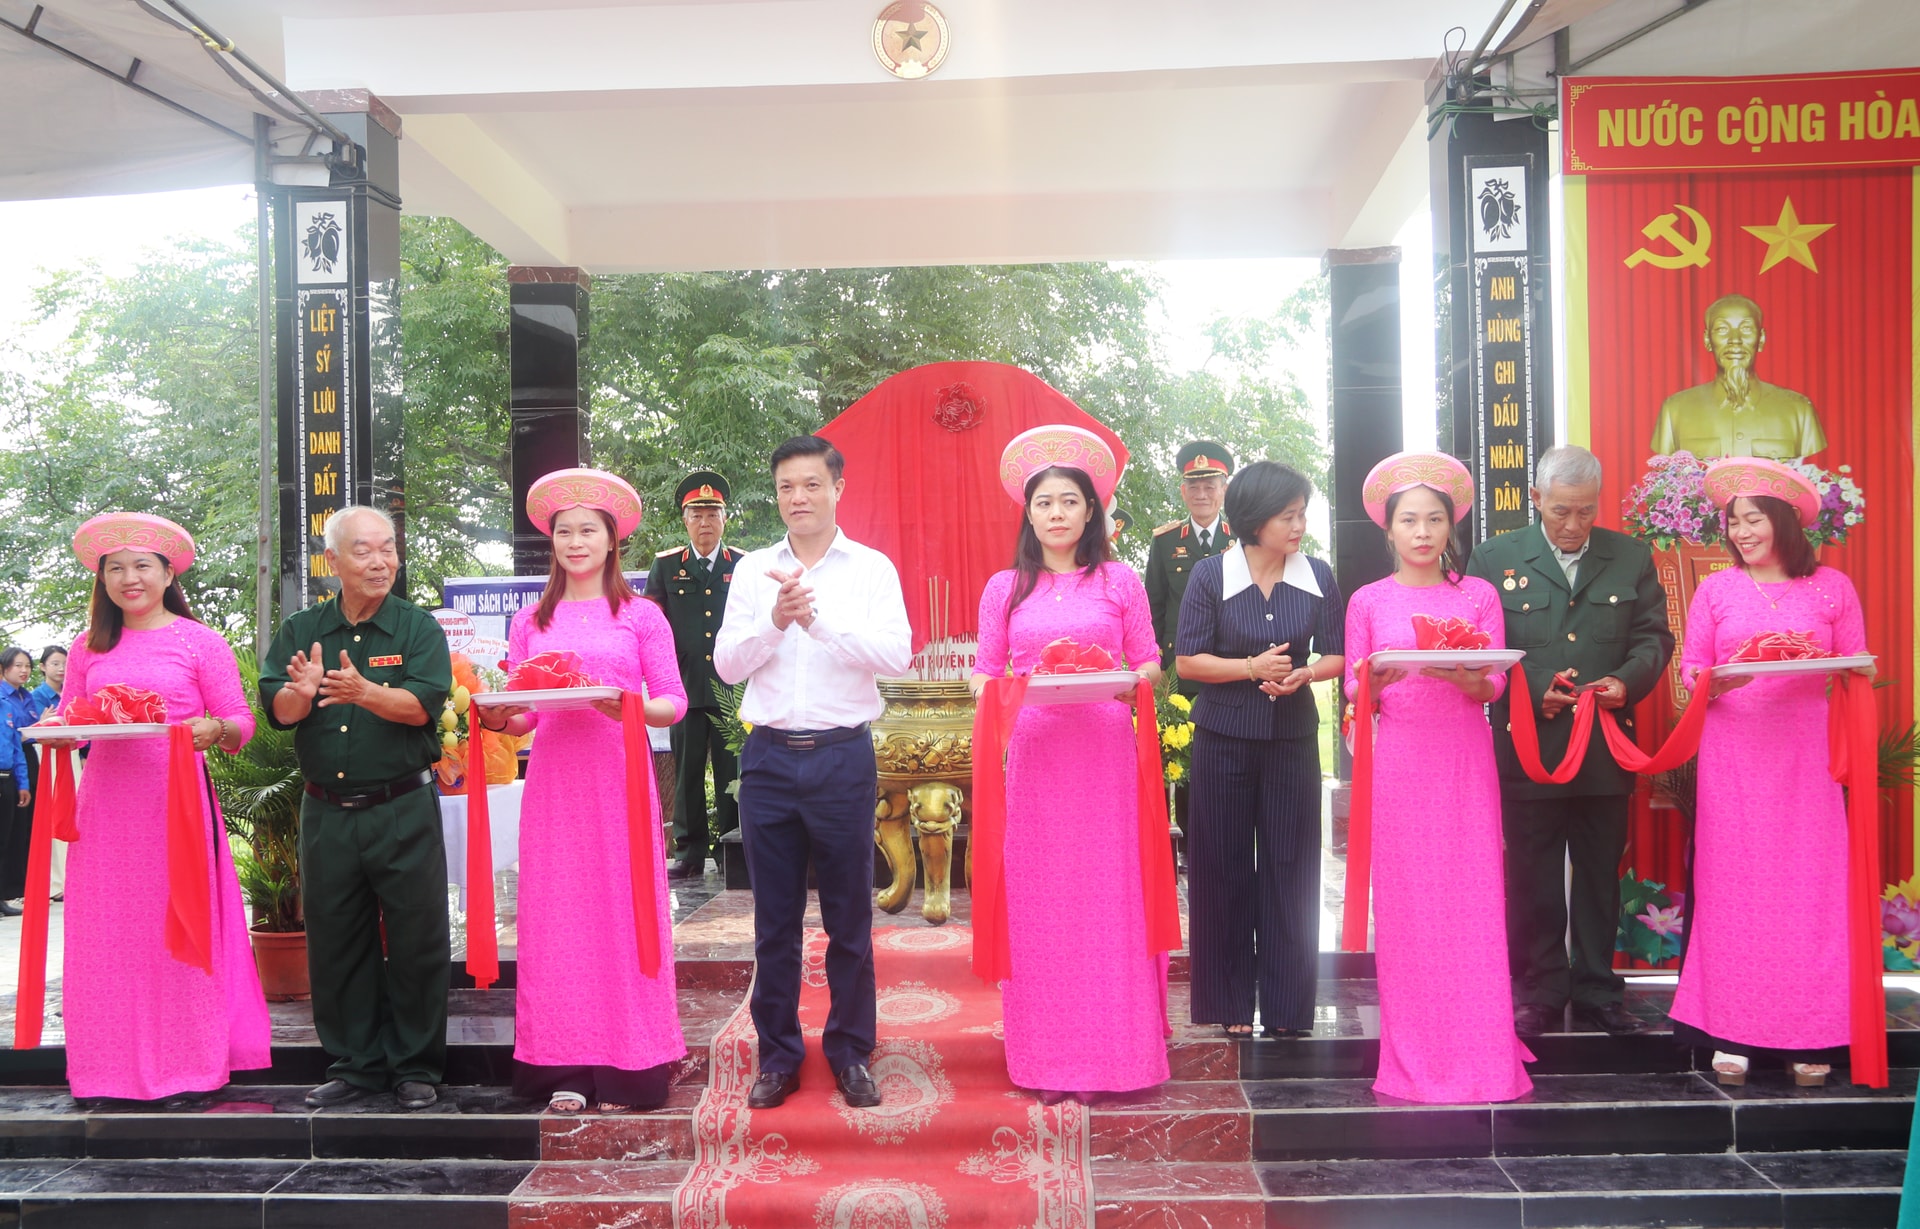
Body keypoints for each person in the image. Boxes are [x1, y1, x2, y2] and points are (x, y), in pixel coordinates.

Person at [32, 512, 269, 1101]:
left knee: (177, 933)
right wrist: (56, 731)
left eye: (142, 566)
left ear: (168, 574)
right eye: (115, 568)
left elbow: (240, 721)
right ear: (103, 580)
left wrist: (214, 729)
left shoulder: (198, 641)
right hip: (106, 811)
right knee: (107, 938)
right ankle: (104, 1073)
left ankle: (190, 1068)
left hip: (176, 807)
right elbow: (74, 717)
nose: (129, 578)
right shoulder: (88, 647)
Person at [477, 468, 689, 1113]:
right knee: (557, 919)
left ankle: (631, 1064)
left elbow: (673, 702)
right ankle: (561, 1064)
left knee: (622, 913)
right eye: (564, 532)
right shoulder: (529, 620)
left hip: (618, 780)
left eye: (588, 530)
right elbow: (526, 716)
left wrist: (626, 706)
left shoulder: (642, 615)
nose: (575, 542)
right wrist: (496, 717)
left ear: (611, 539)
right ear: (552, 541)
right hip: (554, 785)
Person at [972, 426, 1169, 1101]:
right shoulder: (1004, 588)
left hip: (1105, 753)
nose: (1056, 513)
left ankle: (1111, 1057)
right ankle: (1048, 1060)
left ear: (1091, 511)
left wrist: (1129, 681)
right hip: (1036, 754)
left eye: (1069, 501)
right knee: (1041, 901)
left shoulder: (1120, 580)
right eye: (1044, 503)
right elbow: (984, 672)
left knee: (1108, 897)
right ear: (1028, 515)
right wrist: (1002, 690)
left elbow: (1149, 661)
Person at [714, 435, 911, 1111]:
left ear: (837, 488)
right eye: (785, 487)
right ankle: (778, 1056)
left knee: (849, 916)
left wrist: (817, 623)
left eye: (810, 485)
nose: (797, 498)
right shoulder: (752, 571)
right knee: (774, 921)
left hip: (841, 756)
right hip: (768, 758)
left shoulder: (872, 569)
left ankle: (851, 1051)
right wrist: (775, 621)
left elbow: (896, 654)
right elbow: (727, 665)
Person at [1672, 458, 1869, 1087]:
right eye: (1734, 522)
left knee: (1809, 893)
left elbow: (1856, 664)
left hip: (1807, 760)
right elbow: (1691, 669)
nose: (1741, 532)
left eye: (1753, 519)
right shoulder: (1717, 590)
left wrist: (1847, 667)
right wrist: (1716, 680)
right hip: (1733, 757)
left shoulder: (1832, 587)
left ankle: (1812, 1031)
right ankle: (1732, 1031)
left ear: (1783, 520)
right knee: (1735, 889)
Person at [1465, 446, 1674, 1038]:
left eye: (1586, 511)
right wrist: (1535, 690)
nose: (1574, 525)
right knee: (1532, 872)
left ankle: (1597, 988)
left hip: (1605, 744)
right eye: (1561, 511)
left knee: (1599, 871)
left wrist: (1625, 682)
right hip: (1531, 744)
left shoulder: (1629, 556)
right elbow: (1481, 645)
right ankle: (1540, 988)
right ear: (1536, 499)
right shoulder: (1494, 557)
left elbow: (1653, 638)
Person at [1343, 451, 1533, 1104]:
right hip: (1400, 761)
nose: (1422, 532)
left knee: (1471, 896)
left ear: (1451, 526)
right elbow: (1355, 689)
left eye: (1434, 519)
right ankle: (1417, 1048)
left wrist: (1472, 679)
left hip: (1462, 759)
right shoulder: (1368, 600)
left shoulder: (1477, 595)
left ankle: (1481, 1045)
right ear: (1388, 528)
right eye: (1409, 520)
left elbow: (1495, 682)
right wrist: (1376, 678)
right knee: (1410, 903)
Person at [260, 505, 453, 1111]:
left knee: (417, 938)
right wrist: (299, 693)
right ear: (333, 561)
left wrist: (364, 692)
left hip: (402, 806)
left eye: (387, 548)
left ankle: (416, 1066)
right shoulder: (301, 630)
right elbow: (280, 711)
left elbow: (422, 707)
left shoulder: (418, 629)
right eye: (364, 550)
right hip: (327, 813)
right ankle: (356, 1065)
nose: (380, 561)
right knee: (337, 938)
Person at [1174, 461, 1344, 1040]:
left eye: (1302, 514)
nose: (1299, 526)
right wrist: (1250, 667)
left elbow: (1338, 653)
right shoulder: (1209, 575)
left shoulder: (1317, 575)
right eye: (1288, 516)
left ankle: (1288, 1008)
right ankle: (1228, 1001)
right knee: (1221, 866)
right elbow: (1188, 661)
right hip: (1222, 740)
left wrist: (1305, 673)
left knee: (1291, 868)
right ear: (1254, 519)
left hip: (1292, 740)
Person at [646, 470, 744, 879]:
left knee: (731, 773)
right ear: (685, 521)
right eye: (696, 515)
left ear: (725, 519)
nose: (705, 523)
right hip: (682, 686)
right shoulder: (666, 566)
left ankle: (732, 851)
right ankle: (688, 853)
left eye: (712, 514)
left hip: (731, 689)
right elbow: (652, 627)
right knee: (685, 771)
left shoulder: (743, 565)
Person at [1650, 294, 1826, 460]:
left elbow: (1812, 476)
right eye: (1722, 329)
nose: (1735, 339)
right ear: (1707, 340)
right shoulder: (1675, 410)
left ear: (1761, 339)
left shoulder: (1799, 410)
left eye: (1746, 328)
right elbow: (1665, 477)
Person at [1146, 441, 1235, 691]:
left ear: (1224, 490)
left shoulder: (1241, 539)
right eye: (1193, 487)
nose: (1201, 495)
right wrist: (1158, 660)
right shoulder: (1165, 540)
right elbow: (1154, 605)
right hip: (1178, 665)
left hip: (1230, 663)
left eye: (1210, 487)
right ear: (1183, 492)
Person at [30, 646, 70, 903]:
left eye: (64, 663)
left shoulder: (70, 694)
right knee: (52, 813)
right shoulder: (37, 696)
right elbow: (32, 730)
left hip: (71, 754)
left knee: (70, 812)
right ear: (43, 667)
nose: (61, 668)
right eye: (55, 663)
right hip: (47, 755)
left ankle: (68, 876)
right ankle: (54, 881)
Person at [0, 648, 35, 915]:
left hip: (8, 778)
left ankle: (3, 896)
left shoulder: (8, 706)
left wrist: (23, 783)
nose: (23, 670)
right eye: (17, 666)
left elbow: (16, 749)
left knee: (6, 838)